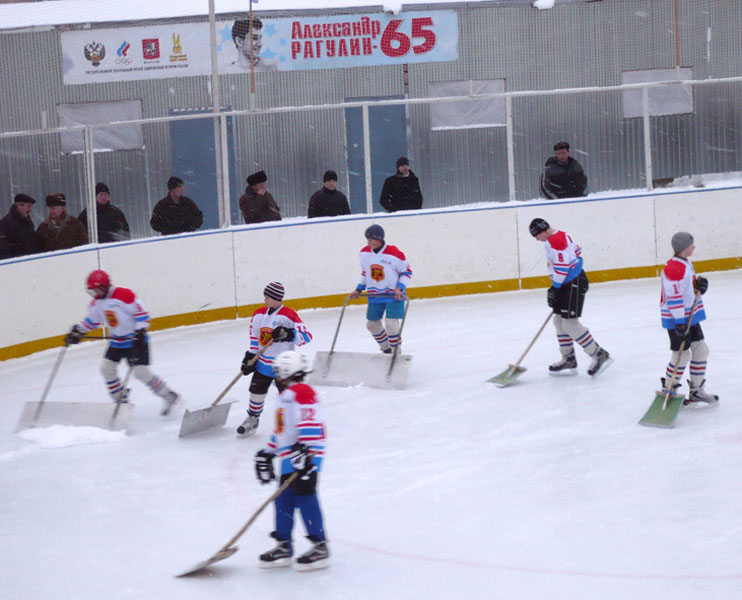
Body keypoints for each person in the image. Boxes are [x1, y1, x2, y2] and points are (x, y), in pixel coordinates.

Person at [64, 269, 180, 416]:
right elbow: (92, 320)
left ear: (106, 286)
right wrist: (78, 332)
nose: (95, 294)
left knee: (140, 372)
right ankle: (120, 399)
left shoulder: (124, 295)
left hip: (135, 341)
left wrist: (140, 331)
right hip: (116, 343)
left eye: (97, 290)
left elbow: (141, 314)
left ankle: (168, 395)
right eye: (92, 291)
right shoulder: (97, 303)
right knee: (106, 369)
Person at [253, 350, 329, 570]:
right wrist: (269, 451)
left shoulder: (302, 391)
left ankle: (320, 546)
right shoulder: (285, 395)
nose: (276, 374)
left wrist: (306, 451)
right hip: (291, 456)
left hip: (306, 456)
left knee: (305, 495)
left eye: (278, 370)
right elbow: (282, 430)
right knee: (283, 499)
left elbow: (311, 420)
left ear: (288, 370)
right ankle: (283, 545)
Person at [529, 218, 612, 377]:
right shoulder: (561, 234)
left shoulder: (555, 241)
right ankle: (569, 358)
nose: (536, 239)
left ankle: (598, 353)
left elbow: (562, 268)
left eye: (536, 235)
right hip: (568, 283)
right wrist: (558, 287)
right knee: (558, 320)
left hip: (573, 284)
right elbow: (577, 250)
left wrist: (555, 288)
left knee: (570, 324)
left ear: (543, 231)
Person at [237, 282, 313, 437]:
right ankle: (253, 418)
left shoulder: (289, 315)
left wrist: (289, 334)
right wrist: (250, 357)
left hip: (284, 367)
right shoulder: (258, 314)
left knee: (288, 397)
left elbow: (306, 337)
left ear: (276, 298)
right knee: (256, 392)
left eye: (267, 297)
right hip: (263, 364)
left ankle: (295, 422)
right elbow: (254, 338)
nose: (265, 299)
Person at [659, 231, 718, 406]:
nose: (694, 247)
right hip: (678, 320)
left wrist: (698, 287)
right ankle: (669, 390)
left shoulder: (684, 263)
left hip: (689, 318)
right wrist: (679, 323)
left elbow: (686, 291)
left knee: (701, 350)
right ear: (684, 248)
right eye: (691, 244)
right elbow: (673, 297)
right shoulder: (674, 268)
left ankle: (696, 391)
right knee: (681, 355)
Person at [350, 224, 412, 353]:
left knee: (391, 324)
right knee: (372, 325)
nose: (368, 242)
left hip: (393, 295)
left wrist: (399, 288)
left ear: (379, 240)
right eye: (367, 239)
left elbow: (407, 272)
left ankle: (396, 352)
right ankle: (387, 349)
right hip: (375, 295)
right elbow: (366, 273)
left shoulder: (394, 253)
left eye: (370, 239)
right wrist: (358, 289)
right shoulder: (364, 253)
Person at [0, 193, 39, 259]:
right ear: (19, 206)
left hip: (31, 260)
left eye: (31, 207)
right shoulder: (6, 223)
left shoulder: (28, 221)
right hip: (18, 261)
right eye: (28, 206)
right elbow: (5, 248)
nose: (30, 210)